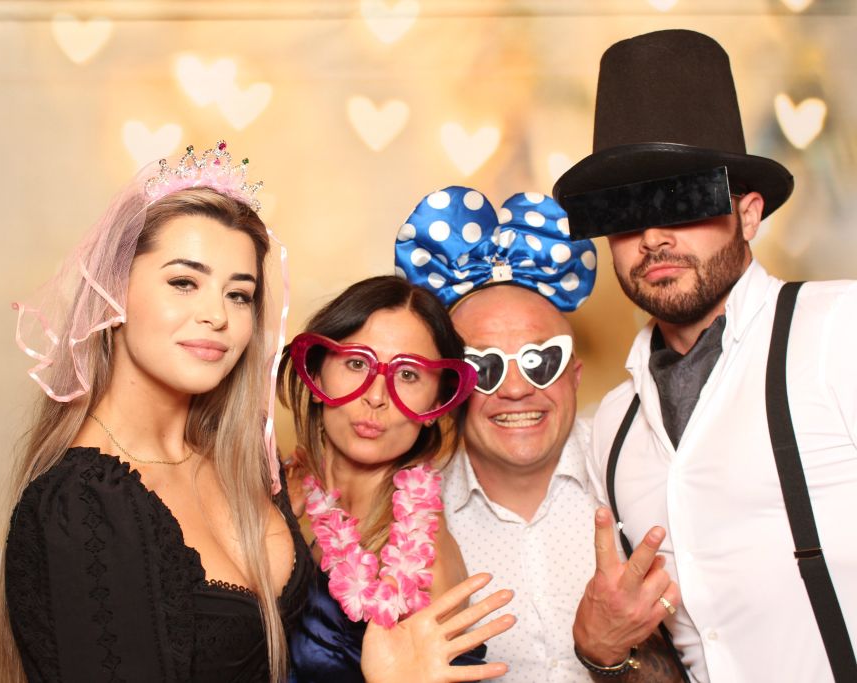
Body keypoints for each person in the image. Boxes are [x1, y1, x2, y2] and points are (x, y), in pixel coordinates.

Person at [0, 141, 515, 683]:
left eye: (238, 294)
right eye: (183, 282)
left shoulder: (244, 470)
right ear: (112, 292)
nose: (216, 315)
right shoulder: (83, 502)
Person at [552, 29, 857, 682]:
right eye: (625, 212)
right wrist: (604, 653)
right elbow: (675, 645)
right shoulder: (613, 426)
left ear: (747, 214)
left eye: (682, 200)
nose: (653, 237)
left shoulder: (840, 331)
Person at [395, 187, 684, 681]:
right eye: (484, 367)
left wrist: (612, 649)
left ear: (574, 375)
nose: (515, 389)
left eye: (541, 361)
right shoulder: (409, 516)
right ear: (451, 389)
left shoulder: (645, 468)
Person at [279, 275, 516, 682]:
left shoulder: (424, 564)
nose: (376, 396)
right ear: (316, 378)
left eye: (408, 375)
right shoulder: (284, 495)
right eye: (356, 363)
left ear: (437, 403)